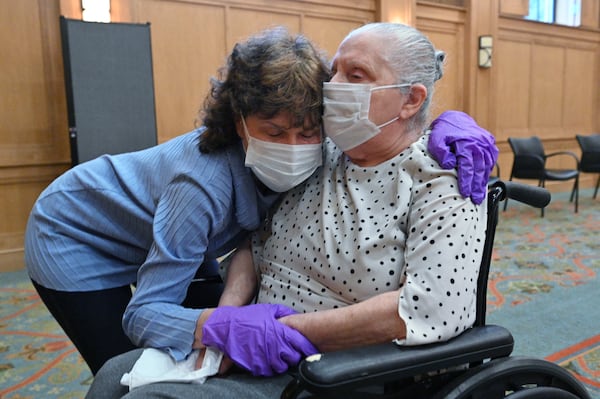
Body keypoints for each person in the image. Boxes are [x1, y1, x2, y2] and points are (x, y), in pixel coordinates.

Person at [85, 22, 498, 399]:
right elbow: (257, 242)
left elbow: (429, 309)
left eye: (354, 76)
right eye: (333, 71)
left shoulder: (445, 178)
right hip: (255, 343)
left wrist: (283, 333)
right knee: (111, 377)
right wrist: (229, 323)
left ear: (411, 98)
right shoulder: (322, 151)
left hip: (333, 368)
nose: (332, 87)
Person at [24, 26, 330, 375]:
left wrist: (222, 316)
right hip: (73, 231)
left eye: (307, 133)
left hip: (164, 226)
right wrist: (223, 326)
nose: (292, 148)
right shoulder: (201, 185)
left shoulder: (315, 155)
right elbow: (144, 316)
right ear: (239, 123)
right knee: (125, 368)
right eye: (273, 132)